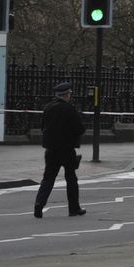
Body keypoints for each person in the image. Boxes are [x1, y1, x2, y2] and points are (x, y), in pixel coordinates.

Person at [34, 81, 86, 217]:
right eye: (69, 94)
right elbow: (79, 129)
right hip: (66, 149)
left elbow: (43, 126)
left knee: (48, 178)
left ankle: (39, 204)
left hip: (51, 149)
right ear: (66, 95)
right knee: (71, 178)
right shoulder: (69, 109)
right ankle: (74, 208)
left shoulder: (48, 107)